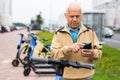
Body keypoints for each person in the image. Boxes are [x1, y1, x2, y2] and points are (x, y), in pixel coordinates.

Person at [50, 2, 102, 80]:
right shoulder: (59, 33)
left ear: (82, 15)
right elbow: (53, 55)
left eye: (77, 16)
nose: (75, 19)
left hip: (86, 77)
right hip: (65, 77)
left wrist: (92, 53)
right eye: (71, 16)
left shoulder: (90, 32)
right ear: (66, 16)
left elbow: (99, 53)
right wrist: (67, 48)